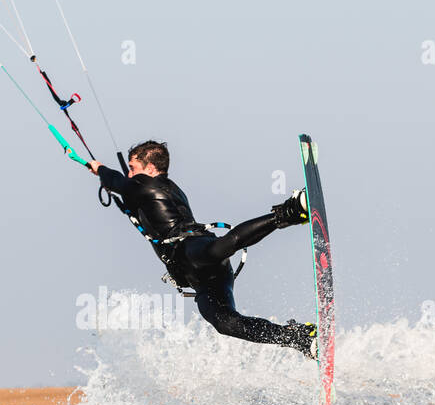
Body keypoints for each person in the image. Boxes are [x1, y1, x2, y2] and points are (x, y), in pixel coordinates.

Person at [88, 140, 317, 358]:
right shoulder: (160, 189)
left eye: (132, 167)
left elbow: (116, 181)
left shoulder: (145, 185)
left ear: (149, 169)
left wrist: (99, 168)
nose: (129, 173)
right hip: (198, 275)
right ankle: (298, 337)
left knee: (223, 247)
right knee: (226, 323)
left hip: (192, 249)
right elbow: (126, 191)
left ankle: (292, 210)